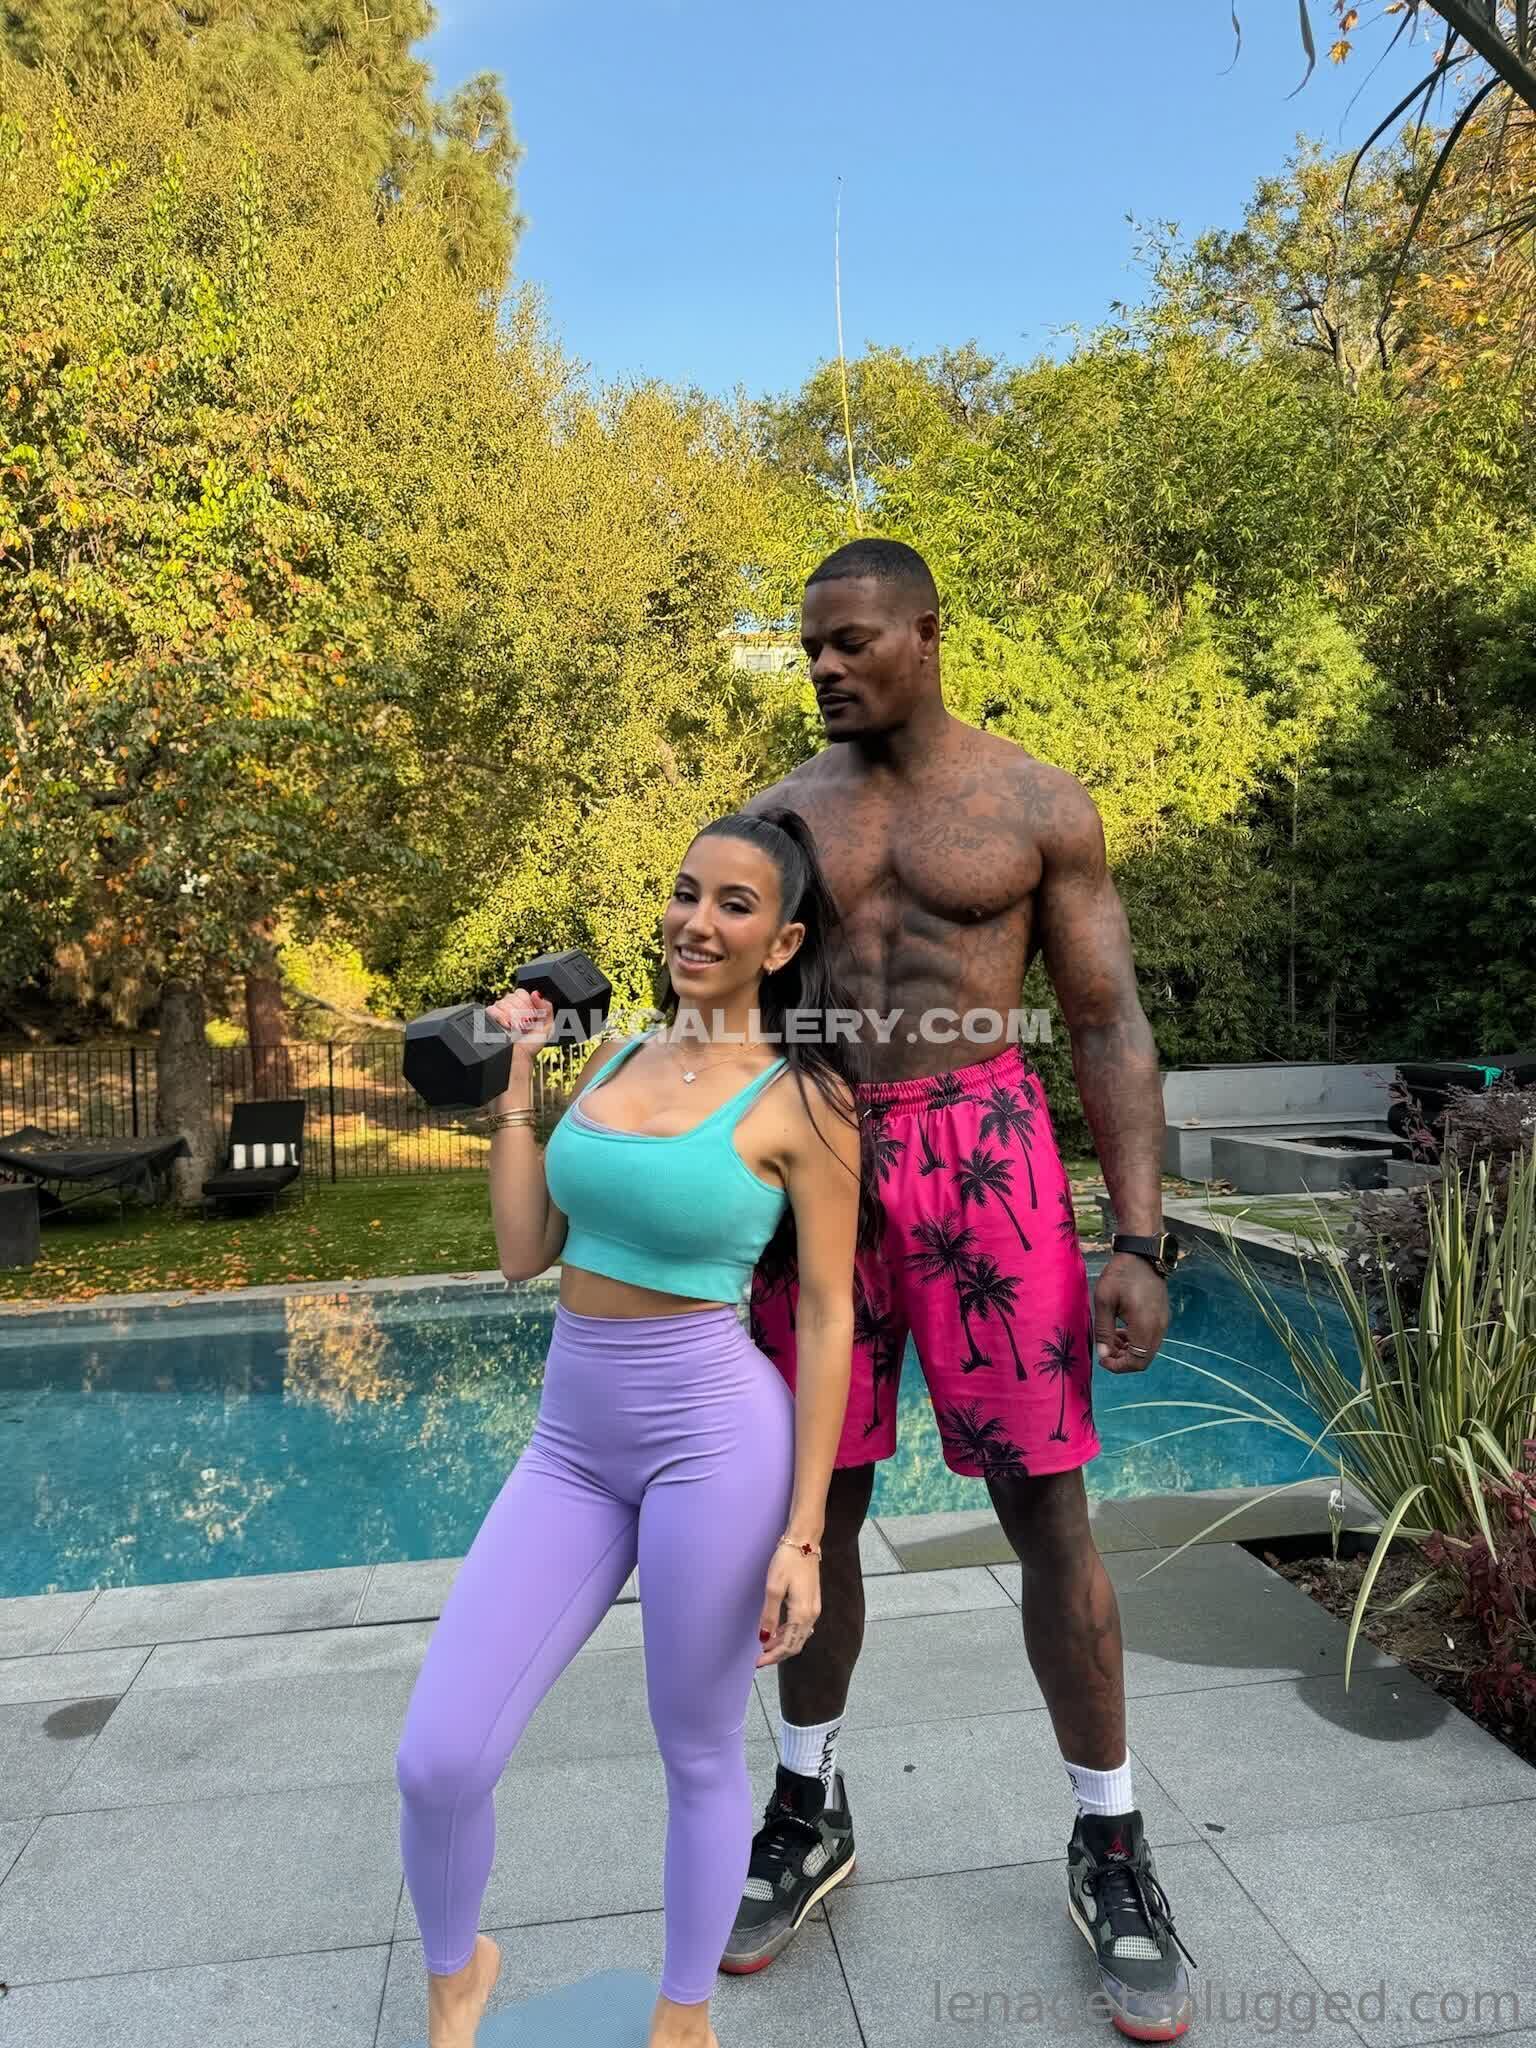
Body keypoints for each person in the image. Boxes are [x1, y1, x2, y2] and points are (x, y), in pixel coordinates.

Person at [721, 540, 1195, 2040]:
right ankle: (809, 1808)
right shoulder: (778, 818)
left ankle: (1110, 1839)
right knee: (813, 1504)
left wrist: (1139, 1237)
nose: (823, 665)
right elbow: (723, 1024)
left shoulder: (1035, 803)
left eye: (851, 640)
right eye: (811, 645)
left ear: (926, 632)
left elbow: (1107, 1020)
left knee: (1048, 1509)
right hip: (820, 1156)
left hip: (984, 1153)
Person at [394, 808, 880, 2048]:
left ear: (783, 942)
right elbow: (524, 1251)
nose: (695, 922)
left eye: (733, 903)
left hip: (713, 1439)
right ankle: (458, 1979)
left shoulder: (806, 1100)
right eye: (685, 892)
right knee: (440, 1755)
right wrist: (518, 1087)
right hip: (571, 1441)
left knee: (698, 1747)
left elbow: (829, 1317)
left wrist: (804, 1536)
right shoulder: (610, 1059)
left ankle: (683, 2017)